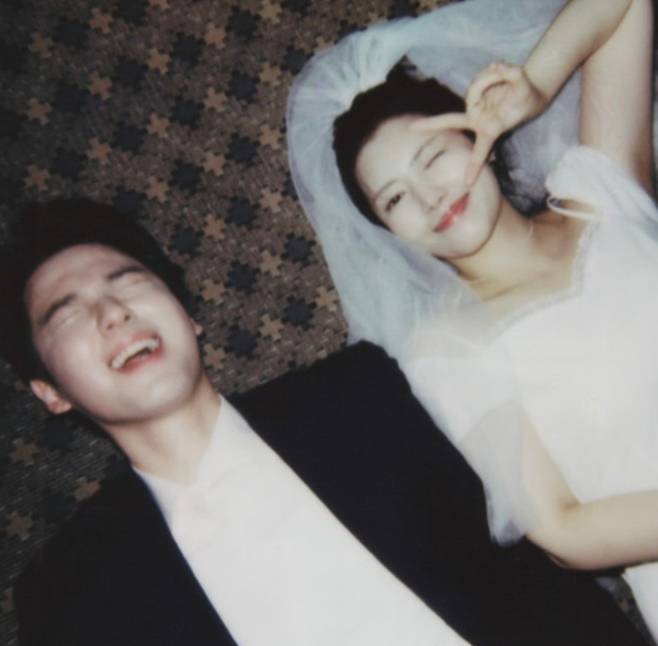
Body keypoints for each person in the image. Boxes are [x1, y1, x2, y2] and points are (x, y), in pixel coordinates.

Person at [5, 199, 648, 645]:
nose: (113, 313)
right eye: (68, 314)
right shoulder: (70, 590)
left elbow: (540, 585)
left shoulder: (365, 397)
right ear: (49, 391)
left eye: (129, 282)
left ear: (189, 316)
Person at [287, 0, 658, 640]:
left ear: (477, 135)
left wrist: (534, 83)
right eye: (395, 199)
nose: (430, 197)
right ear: (388, 234)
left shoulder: (599, 188)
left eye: (433, 156)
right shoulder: (449, 348)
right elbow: (562, 531)